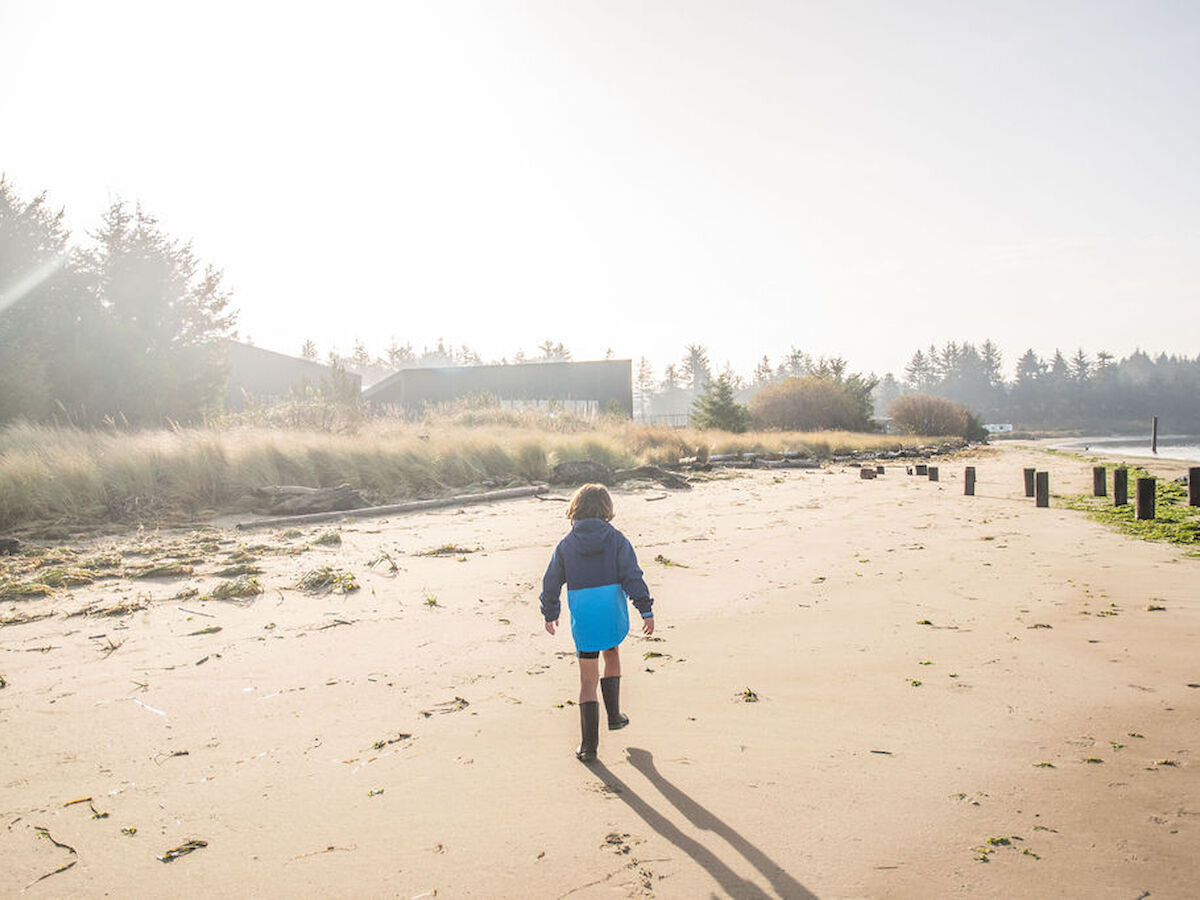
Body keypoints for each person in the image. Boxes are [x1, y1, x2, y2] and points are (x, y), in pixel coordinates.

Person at [540, 483, 654, 762]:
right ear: (606, 509)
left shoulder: (566, 545)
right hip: (609, 608)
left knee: (587, 678)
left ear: (576, 508)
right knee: (612, 651)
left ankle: (588, 746)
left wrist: (550, 611)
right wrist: (645, 609)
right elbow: (632, 575)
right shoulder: (616, 539)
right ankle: (614, 715)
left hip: (585, 612)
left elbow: (551, 581)